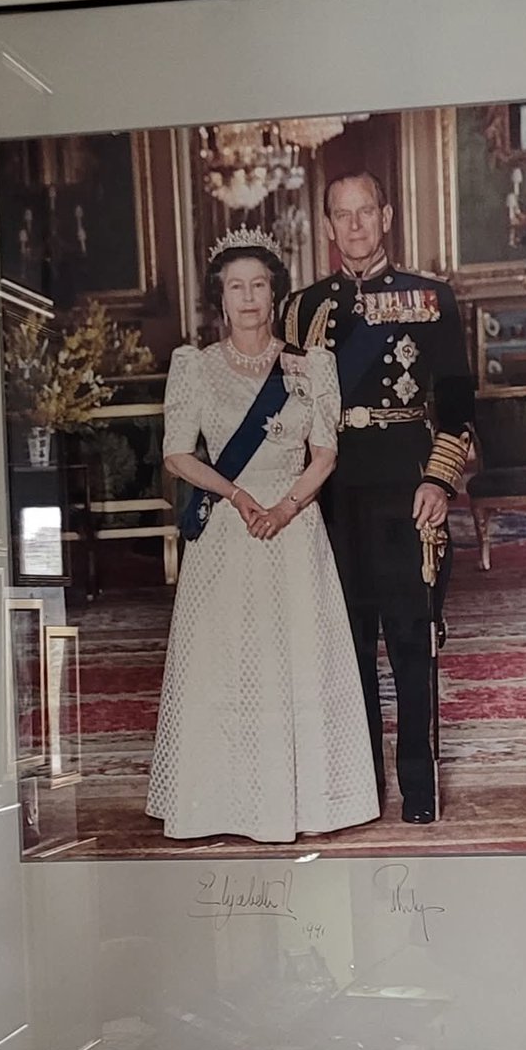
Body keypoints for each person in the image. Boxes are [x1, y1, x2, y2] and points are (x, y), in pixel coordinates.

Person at [145, 226, 380, 843]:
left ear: (274, 295)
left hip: (294, 531)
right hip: (228, 534)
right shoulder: (193, 366)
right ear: (219, 299)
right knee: (228, 662)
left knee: (296, 656)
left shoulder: (310, 365)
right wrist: (239, 496)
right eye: (235, 287)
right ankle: (223, 802)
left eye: (258, 286)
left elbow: (324, 453)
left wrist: (285, 506)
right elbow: (176, 455)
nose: (248, 299)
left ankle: (307, 803)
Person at [283, 171, 475, 824]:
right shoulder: (301, 308)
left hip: (403, 485)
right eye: (343, 215)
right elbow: (289, 411)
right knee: (347, 645)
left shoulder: (430, 298)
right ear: (329, 226)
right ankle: (361, 786)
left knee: (409, 641)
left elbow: (454, 402)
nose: (356, 225)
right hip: (329, 492)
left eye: (366, 212)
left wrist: (438, 479)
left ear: (385, 216)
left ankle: (418, 787)